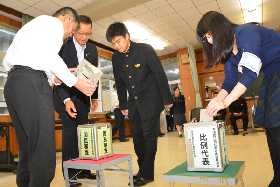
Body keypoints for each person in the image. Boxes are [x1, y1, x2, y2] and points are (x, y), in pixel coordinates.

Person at [3, 7, 97, 187]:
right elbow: (49, 56)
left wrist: (55, 77)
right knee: (44, 148)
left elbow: (33, 60)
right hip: (32, 84)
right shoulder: (52, 23)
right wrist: (75, 82)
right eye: (72, 29)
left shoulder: (31, 27)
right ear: (66, 19)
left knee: (29, 147)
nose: (68, 35)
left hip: (14, 84)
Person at [197, 11, 280, 187]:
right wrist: (217, 100)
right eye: (205, 38)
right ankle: (278, 178)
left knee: (278, 131)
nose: (209, 41)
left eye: (210, 34)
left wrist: (225, 103)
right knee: (271, 130)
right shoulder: (228, 51)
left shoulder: (245, 33)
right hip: (271, 77)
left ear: (220, 26)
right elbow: (229, 82)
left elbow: (250, 73)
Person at [106, 22, 173, 186]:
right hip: (133, 104)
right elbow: (120, 82)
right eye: (113, 43)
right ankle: (142, 169)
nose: (116, 46)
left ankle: (146, 174)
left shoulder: (145, 49)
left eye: (118, 41)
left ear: (127, 36)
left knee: (149, 138)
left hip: (151, 100)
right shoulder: (116, 57)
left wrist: (167, 100)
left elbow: (160, 75)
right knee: (137, 139)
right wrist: (123, 105)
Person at [53, 15, 98, 185]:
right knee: (70, 136)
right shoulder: (64, 48)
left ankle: (84, 170)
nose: (84, 37)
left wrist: (94, 97)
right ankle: (69, 175)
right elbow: (59, 76)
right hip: (64, 97)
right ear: (73, 31)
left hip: (83, 99)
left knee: (84, 136)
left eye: (87, 33)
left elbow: (93, 75)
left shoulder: (92, 50)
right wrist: (66, 100)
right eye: (80, 33)